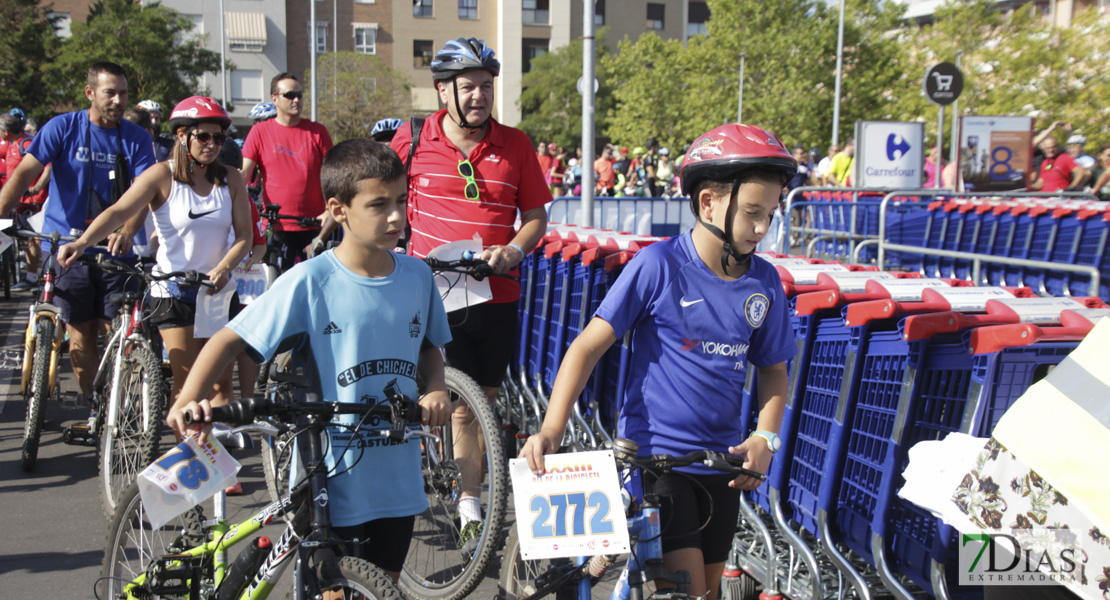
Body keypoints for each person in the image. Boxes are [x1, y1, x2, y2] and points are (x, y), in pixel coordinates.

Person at [520, 123, 795, 600]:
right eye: (752, 212)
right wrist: (551, 427)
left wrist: (765, 438)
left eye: (770, 214)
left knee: (708, 592)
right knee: (683, 591)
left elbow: (773, 370)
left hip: (721, 467)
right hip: (658, 462)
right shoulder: (658, 266)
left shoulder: (765, 282)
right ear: (708, 201)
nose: (761, 228)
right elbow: (586, 347)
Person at [166, 138, 452, 582]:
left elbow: (430, 349)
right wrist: (188, 399)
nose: (397, 216)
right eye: (379, 204)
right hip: (327, 478)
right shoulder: (309, 280)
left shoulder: (417, 276)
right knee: (330, 589)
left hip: (397, 477)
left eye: (401, 200)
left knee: (383, 587)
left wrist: (435, 388)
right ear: (339, 210)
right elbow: (228, 338)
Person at [390, 37, 550, 551]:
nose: (480, 96)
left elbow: (536, 217)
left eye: (486, 86)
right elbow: (379, 200)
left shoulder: (516, 144)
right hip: (431, 292)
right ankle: (468, 505)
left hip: (495, 293)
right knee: (456, 403)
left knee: (485, 401)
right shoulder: (410, 138)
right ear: (442, 91)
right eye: (468, 87)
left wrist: (515, 251)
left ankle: (467, 493)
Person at [58, 96, 252, 420]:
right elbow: (119, 210)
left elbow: (245, 236)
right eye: (204, 136)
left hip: (217, 291)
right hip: (174, 292)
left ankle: (218, 466)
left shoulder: (231, 178)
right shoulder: (161, 176)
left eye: (219, 138)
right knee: (188, 386)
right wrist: (82, 242)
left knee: (220, 385)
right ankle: (193, 463)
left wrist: (224, 267)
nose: (212, 144)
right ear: (181, 135)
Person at [0, 61, 156, 414]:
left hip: (115, 248)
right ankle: (95, 402)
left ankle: (121, 396)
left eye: (123, 93)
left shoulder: (136, 137)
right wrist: (2, 212)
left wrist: (129, 230)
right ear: (90, 93)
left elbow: (146, 192)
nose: (118, 100)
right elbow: (26, 171)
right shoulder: (63, 127)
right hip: (66, 245)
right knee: (82, 333)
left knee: (114, 327)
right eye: (109, 93)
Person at [240, 72, 334, 273]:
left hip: (315, 226)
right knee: (277, 285)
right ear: (275, 99)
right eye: (290, 95)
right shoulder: (260, 132)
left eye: (300, 95)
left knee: (316, 282)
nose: (297, 100)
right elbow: (243, 175)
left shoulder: (317, 131)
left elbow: (333, 175)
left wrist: (328, 209)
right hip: (278, 226)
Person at [1, 113, 50, 290]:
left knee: (36, 239)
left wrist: (38, 186)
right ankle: (30, 277)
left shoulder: (27, 143)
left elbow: (48, 166)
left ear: (6, 131)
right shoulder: (14, 144)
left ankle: (36, 278)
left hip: (32, 200)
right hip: (19, 200)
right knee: (27, 238)